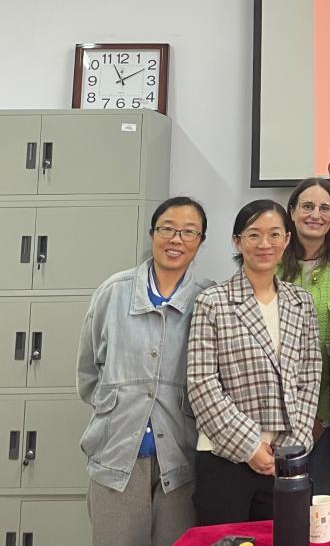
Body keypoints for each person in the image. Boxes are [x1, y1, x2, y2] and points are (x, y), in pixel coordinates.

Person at [77, 197, 212, 546]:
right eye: (167, 229)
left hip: (180, 459)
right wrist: (118, 405)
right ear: (152, 233)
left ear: (200, 241)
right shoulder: (113, 293)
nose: (176, 239)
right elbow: (89, 374)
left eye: (188, 232)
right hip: (116, 455)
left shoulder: (208, 299)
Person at [187, 200, 321, 525]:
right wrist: (249, 447)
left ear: (287, 240)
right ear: (238, 241)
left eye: (274, 234)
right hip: (224, 456)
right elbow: (201, 383)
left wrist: (291, 447)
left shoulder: (300, 301)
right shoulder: (213, 301)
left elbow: (310, 377)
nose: (265, 244)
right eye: (254, 235)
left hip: (285, 458)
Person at [278, 178, 330, 514]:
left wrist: (321, 419)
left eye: (325, 208)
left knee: (321, 520)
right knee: (275, 519)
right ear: (292, 212)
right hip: (273, 424)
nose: (316, 214)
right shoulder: (267, 268)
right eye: (307, 206)